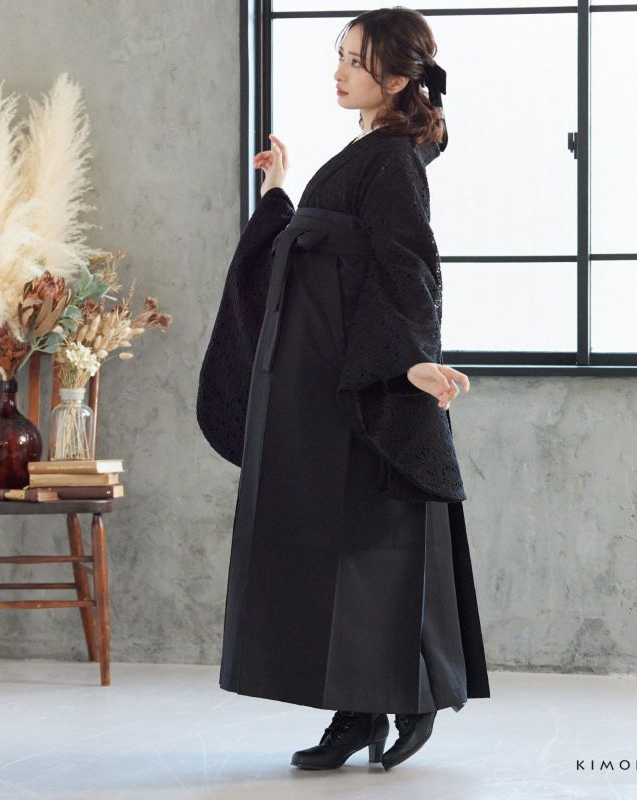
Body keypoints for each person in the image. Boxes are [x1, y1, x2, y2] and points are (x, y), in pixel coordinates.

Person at [196, 6, 490, 772]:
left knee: (374, 543)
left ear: (395, 79)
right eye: (341, 56)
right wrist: (278, 195)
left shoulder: (393, 161)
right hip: (320, 377)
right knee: (333, 544)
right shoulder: (367, 151)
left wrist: (412, 360)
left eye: (356, 61)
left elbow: (407, 262)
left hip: (358, 377)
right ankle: (357, 710)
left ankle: (412, 694)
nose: (340, 72)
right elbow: (326, 248)